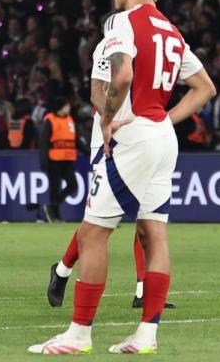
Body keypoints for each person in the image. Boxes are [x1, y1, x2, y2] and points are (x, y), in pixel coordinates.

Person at [29, 0, 215, 355]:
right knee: (154, 234)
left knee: (94, 232)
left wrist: (110, 118)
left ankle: (78, 335)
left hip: (130, 139)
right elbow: (204, 88)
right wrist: (166, 118)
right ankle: (146, 335)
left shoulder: (121, 23)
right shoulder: (171, 30)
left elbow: (124, 74)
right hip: (163, 138)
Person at [47, 21, 177, 311]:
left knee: (147, 217)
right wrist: (109, 120)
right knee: (98, 221)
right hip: (109, 141)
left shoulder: (151, 45)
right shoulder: (110, 44)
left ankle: (143, 291)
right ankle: (62, 270)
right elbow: (98, 92)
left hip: (143, 142)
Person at [38, 97, 78, 221]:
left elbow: (76, 140)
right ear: (61, 107)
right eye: (67, 106)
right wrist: (43, 160)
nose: (69, 108)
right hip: (54, 159)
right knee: (55, 188)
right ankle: (55, 215)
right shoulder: (50, 120)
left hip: (68, 159)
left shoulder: (70, 120)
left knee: (72, 185)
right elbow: (43, 142)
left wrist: (88, 150)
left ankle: (52, 206)